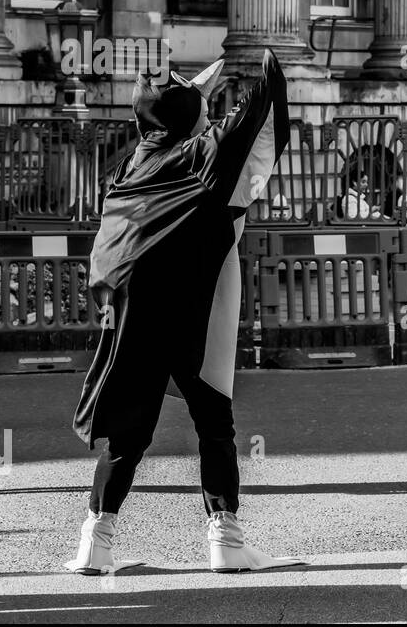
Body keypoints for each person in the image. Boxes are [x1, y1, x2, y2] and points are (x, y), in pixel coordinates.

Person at [68, 51, 304, 575]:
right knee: (213, 421)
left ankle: (96, 540)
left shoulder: (134, 162)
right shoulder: (197, 158)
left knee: (130, 430)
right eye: (201, 107)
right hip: (184, 305)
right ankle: (226, 539)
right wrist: (267, 69)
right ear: (187, 117)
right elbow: (249, 126)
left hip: (126, 306)